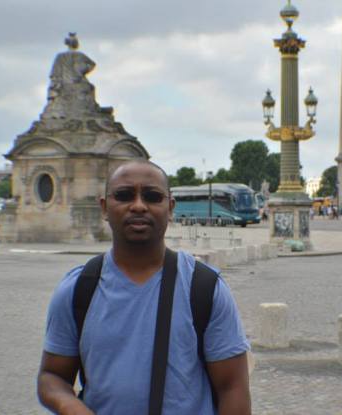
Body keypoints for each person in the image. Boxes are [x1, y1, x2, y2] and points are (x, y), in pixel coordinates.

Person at [37, 160, 251, 415]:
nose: (138, 205)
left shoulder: (204, 288)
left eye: (152, 196)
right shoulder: (77, 289)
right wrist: (71, 407)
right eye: (124, 195)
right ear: (104, 207)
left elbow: (232, 388)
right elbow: (52, 377)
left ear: (170, 208)